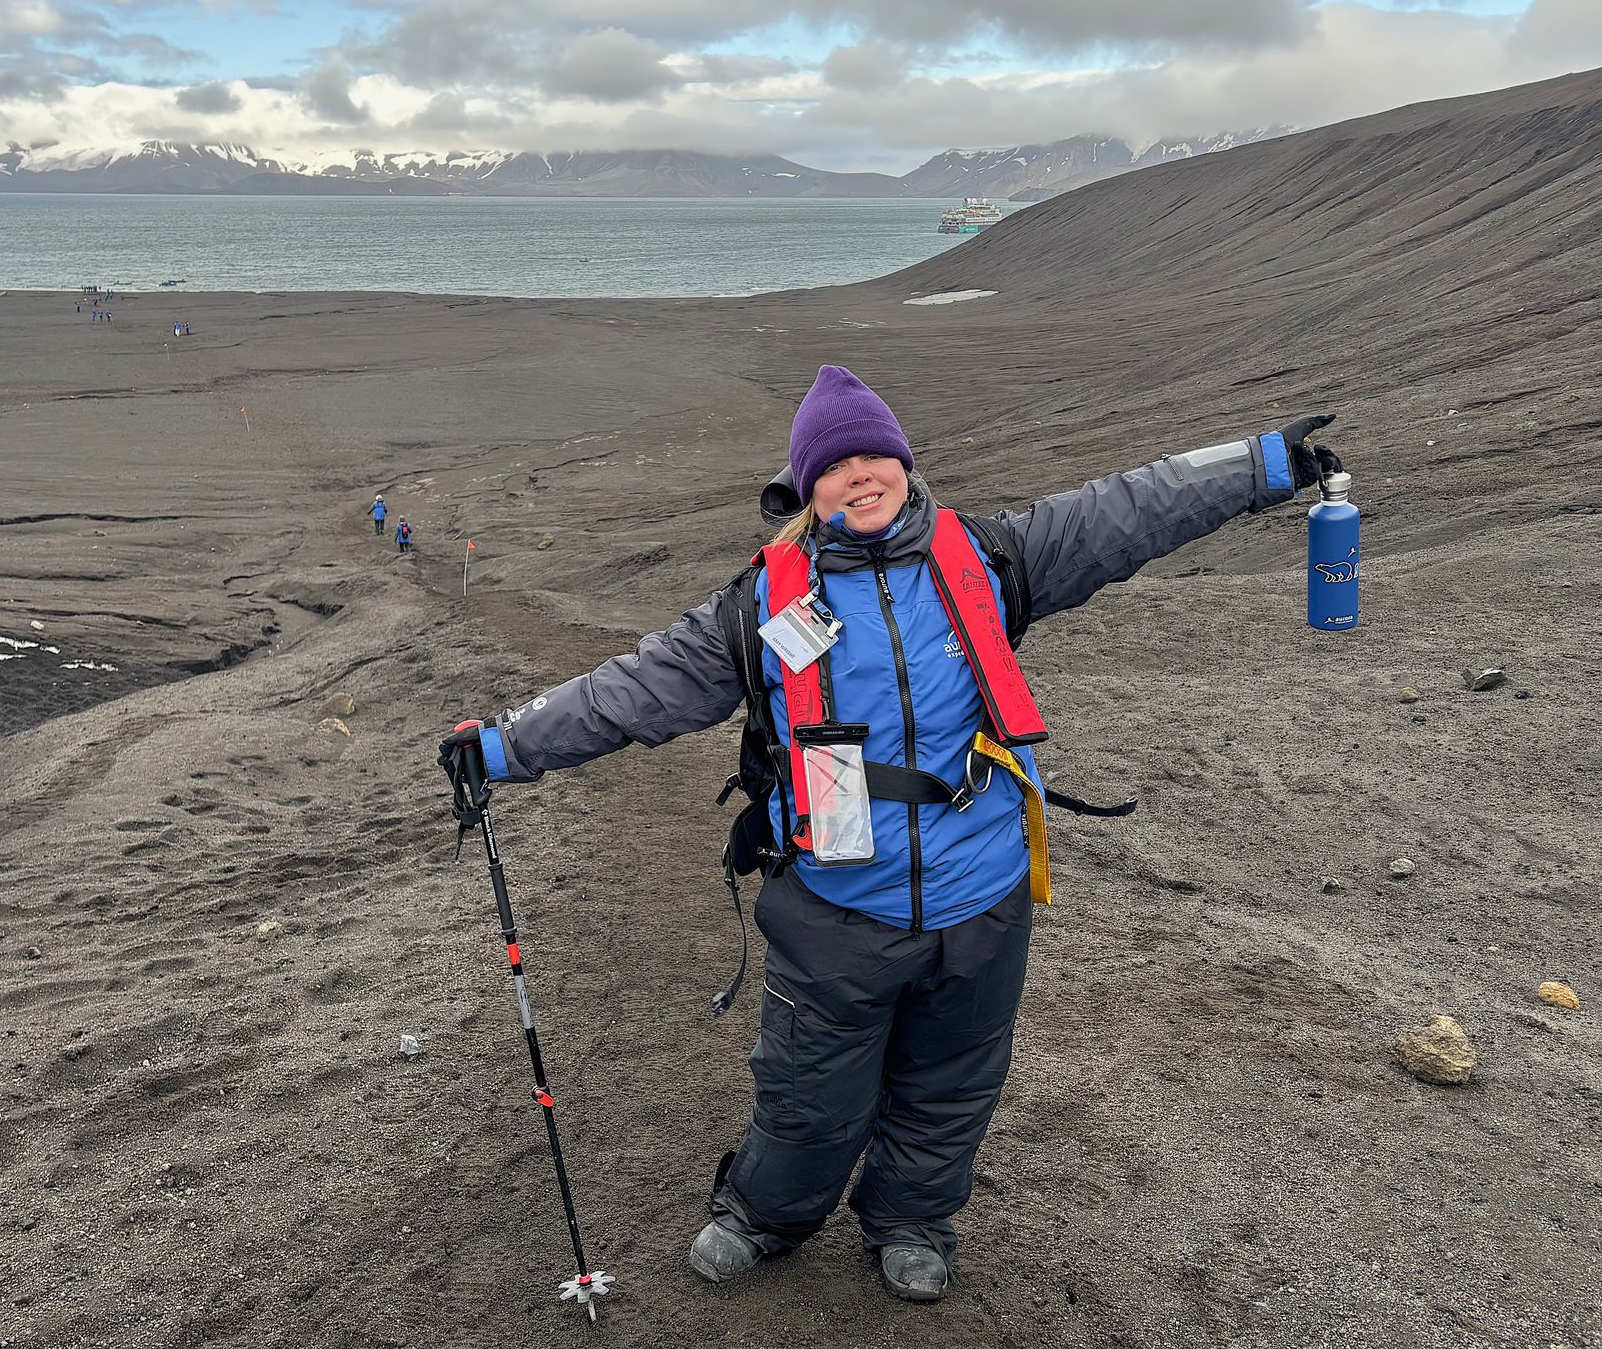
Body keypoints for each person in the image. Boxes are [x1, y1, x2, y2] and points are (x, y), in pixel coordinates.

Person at [438, 365, 1341, 1304]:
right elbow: (633, 689)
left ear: (905, 464)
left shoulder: (994, 557)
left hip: (982, 892)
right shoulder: (756, 609)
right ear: (805, 488)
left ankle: (911, 1219)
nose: (859, 474)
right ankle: (765, 1215)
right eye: (836, 464)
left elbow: (1133, 507)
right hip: (836, 902)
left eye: (875, 455)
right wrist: (501, 746)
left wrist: (1261, 463)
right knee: (806, 1089)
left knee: (951, 1082)